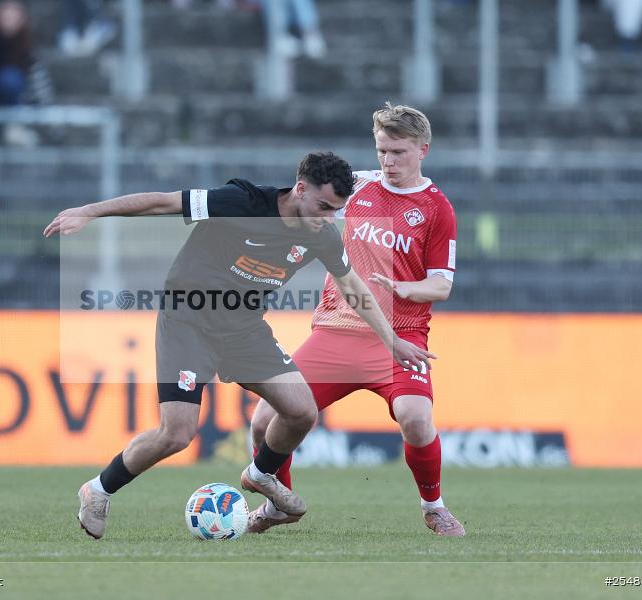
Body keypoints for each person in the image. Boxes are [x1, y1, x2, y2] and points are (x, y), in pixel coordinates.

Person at [44, 152, 436, 539]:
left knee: (301, 411)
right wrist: (90, 211)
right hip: (188, 322)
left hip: (244, 330)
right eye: (322, 206)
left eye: (336, 210)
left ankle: (261, 474)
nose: (328, 218)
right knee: (177, 434)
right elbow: (162, 202)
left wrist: (392, 340)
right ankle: (98, 490)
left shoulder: (323, 235)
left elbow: (352, 288)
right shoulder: (241, 201)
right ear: (300, 189)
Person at [246, 103, 465, 537]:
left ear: (423, 149)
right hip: (335, 330)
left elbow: (441, 285)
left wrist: (407, 289)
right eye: (382, 150)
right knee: (262, 421)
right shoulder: (357, 188)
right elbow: (303, 209)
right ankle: (278, 505)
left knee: (417, 419)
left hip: (399, 337)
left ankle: (434, 507)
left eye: (398, 152)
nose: (388, 161)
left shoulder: (437, 209)